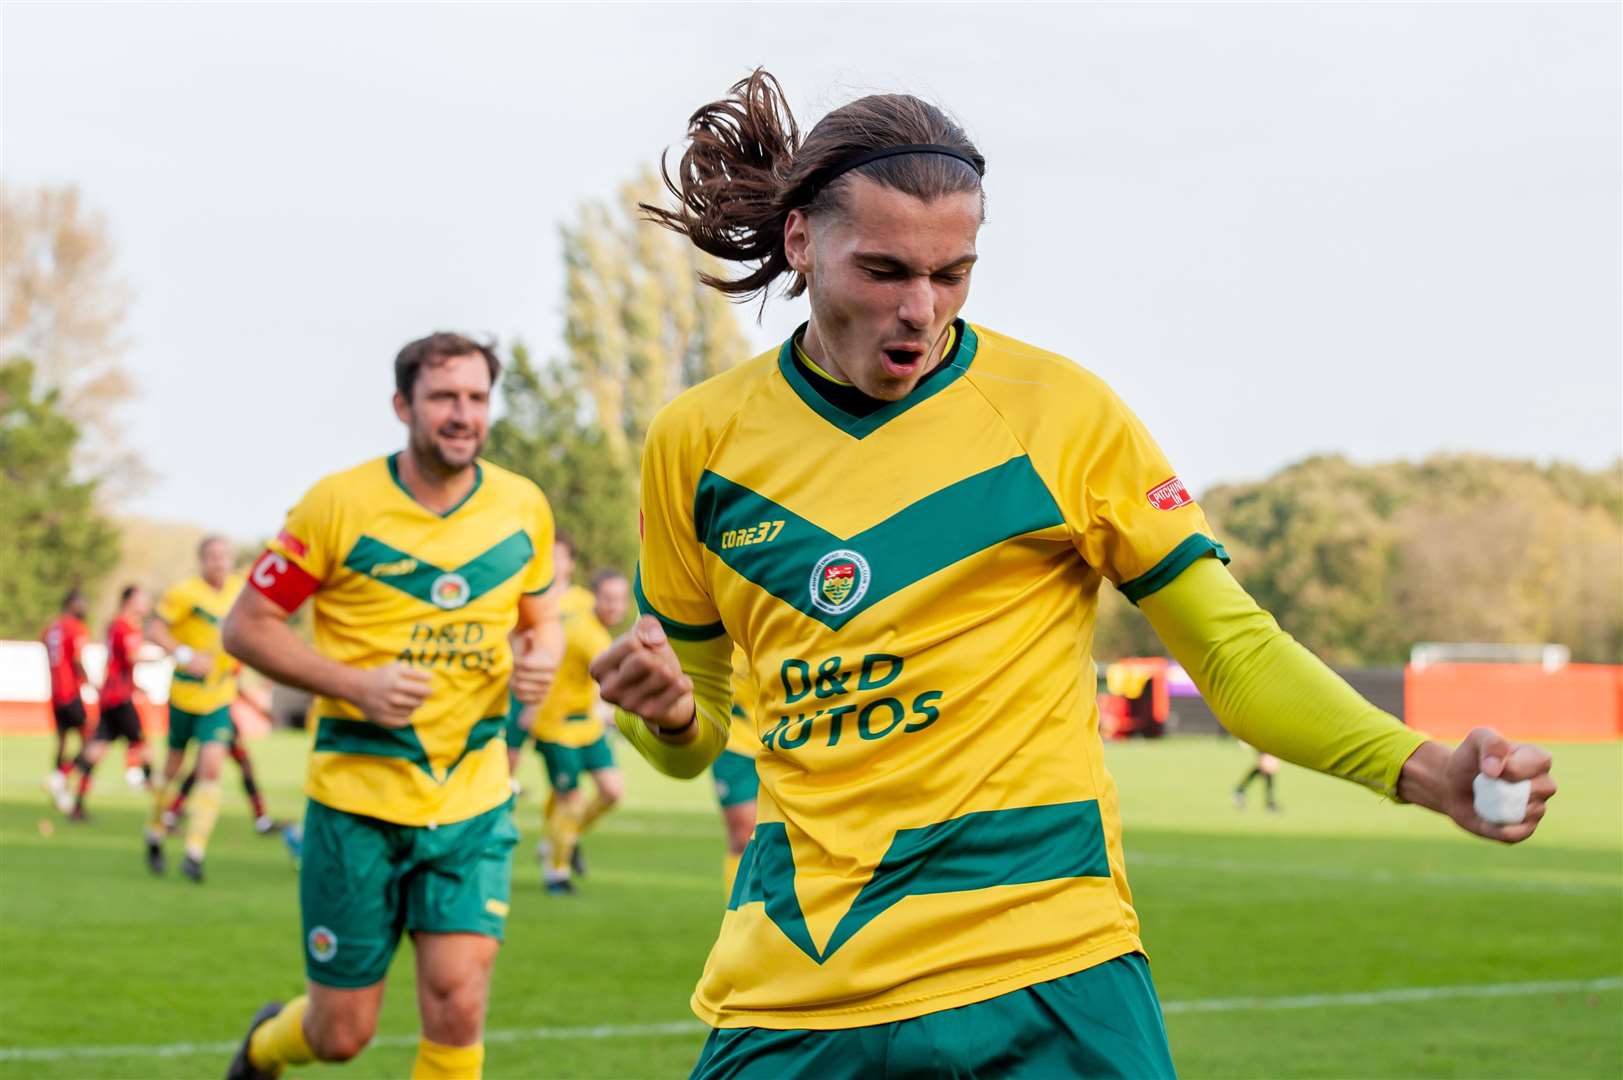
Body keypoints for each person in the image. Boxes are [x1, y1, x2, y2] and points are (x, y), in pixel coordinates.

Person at [589, 70, 1559, 1079]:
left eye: (952, 273)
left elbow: (1232, 649)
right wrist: (662, 715)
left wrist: (1425, 769)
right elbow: (693, 735)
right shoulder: (698, 442)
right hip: (798, 976)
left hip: (1047, 967)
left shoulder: (1062, 413)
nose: (920, 310)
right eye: (883, 271)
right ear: (801, 242)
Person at [220, 332, 562, 1080]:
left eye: (476, 398)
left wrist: (542, 661)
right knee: (341, 1034)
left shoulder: (521, 506)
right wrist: (354, 684)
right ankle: (264, 1046)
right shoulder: (337, 504)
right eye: (443, 397)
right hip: (356, 807)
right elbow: (244, 627)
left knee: (458, 1002)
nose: (462, 414)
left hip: (470, 803)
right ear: (402, 405)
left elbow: (544, 623)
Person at [142, 535, 248, 881]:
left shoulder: (241, 590)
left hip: (219, 695)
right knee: (172, 769)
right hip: (185, 694)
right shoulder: (185, 592)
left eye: (224, 555)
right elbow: (154, 628)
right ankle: (155, 830)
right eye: (212, 557)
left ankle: (194, 851)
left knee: (211, 769)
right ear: (202, 560)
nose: (219, 562)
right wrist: (184, 655)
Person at [532, 568, 629, 895]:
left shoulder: (585, 612)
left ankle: (562, 838)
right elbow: (615, 680)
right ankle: (556, 873)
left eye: (620, 599)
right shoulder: (592, 637)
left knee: (612, 791)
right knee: (570, 801)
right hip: (555, 725)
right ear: (595, 598)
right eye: (608, 599)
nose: (614, 606)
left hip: (587, 725)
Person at [506, 535, 592, 781]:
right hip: (521, 687)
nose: (551, 562)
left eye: (558, 556)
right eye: (547, 555)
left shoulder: (583, 602)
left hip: (560, 699)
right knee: (508, 757)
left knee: (563, 773)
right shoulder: (522, 596)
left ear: (571, 563)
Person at [68, 585, 153, 823]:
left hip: (110, 697)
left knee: (96, 750)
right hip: (119, 699)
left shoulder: (117, 625)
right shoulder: (125, 626)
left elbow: (120, 666)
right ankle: (166, 812)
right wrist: (166, 655)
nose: (145, 604)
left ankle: (74, 800)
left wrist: (136, 685)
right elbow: (131, 657)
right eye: (141, 599)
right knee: (145, 748)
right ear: (129, 601)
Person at [713, 649, 759, 900]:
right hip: (736, 746)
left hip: (784, 742)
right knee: (743, 835)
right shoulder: (727, 628)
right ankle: (736, 912)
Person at [41, 589, 92, 813]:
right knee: (90, 740)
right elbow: (76, 658)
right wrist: (89, 679)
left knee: (62, 741)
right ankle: (59, 778)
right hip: (70, 692)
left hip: (54, 693)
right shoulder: (75, 627)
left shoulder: (52, 627)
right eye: (82, 603)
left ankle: (59, 787)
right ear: (72, 604)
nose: (85, 608)